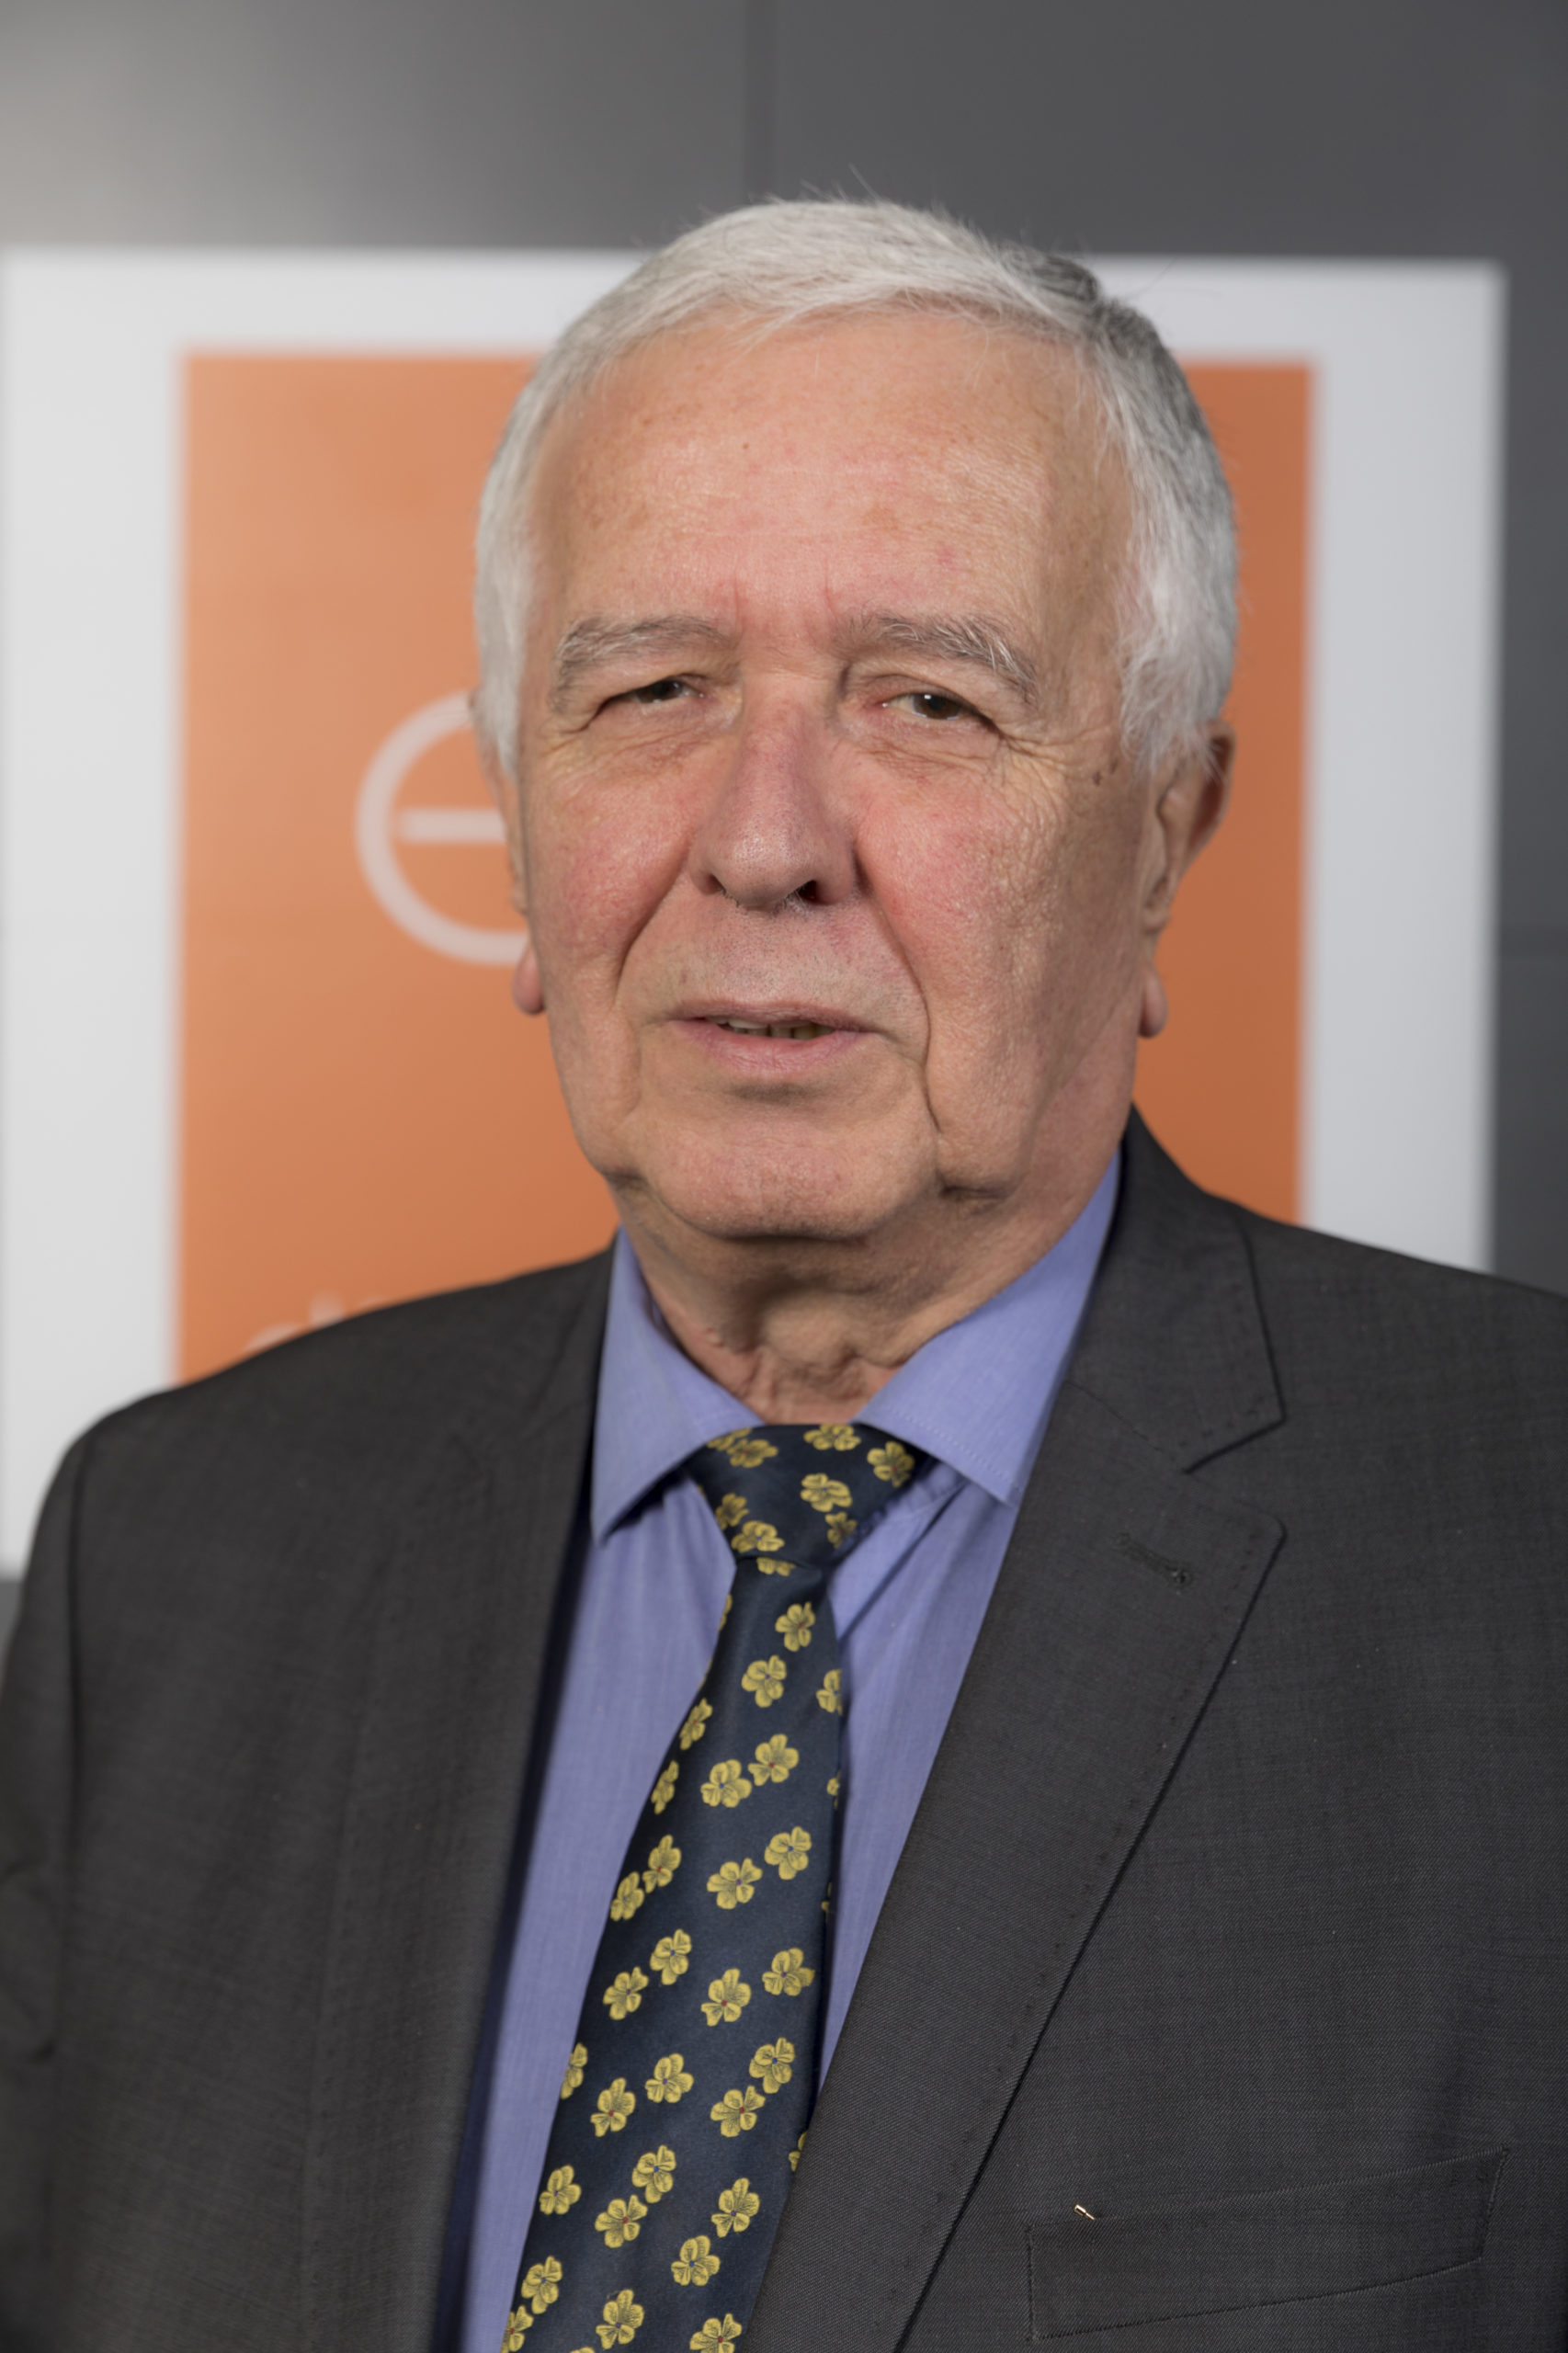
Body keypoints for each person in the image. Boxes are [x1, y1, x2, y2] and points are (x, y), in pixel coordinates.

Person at [0, 199, 1564, 2353]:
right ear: (516, 816)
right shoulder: (170, 1555)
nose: (761, 840)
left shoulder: (1525, 1545)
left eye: (926, 699)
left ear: (1164, 831)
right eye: (651, 691)